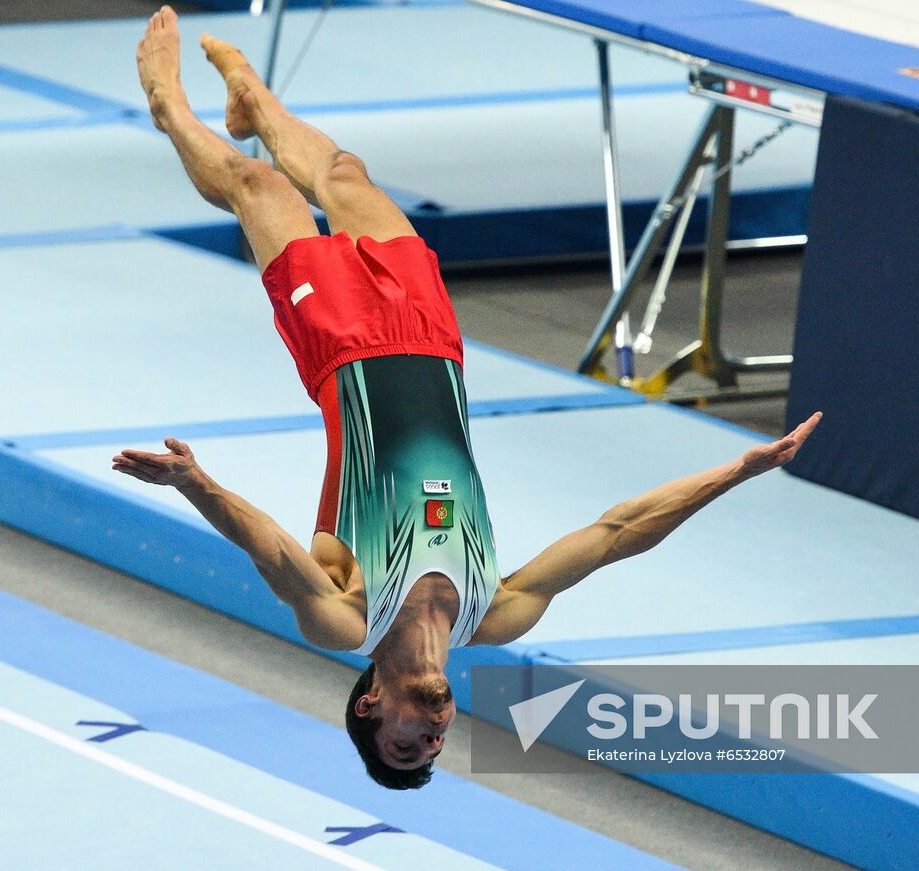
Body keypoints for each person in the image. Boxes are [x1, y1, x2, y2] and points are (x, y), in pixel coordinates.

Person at [112, 5, 822, 790]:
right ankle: (251, 98)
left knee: (258, 185)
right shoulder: (497, 609)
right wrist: (736, 472)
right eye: (435, 746)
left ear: (372, 703)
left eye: (409, 741)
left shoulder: (350, 616)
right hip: (433, 342)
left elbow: (272, 551)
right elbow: (618, 532)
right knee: (346, 174)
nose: (435, 731)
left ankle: (167, 106)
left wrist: (198, 484)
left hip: (341, 348)